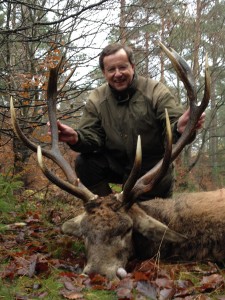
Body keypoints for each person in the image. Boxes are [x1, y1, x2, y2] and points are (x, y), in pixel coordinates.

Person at [48, 43, 205, 199]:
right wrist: (77, 138)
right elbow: (94, 137)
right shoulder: (97, 99)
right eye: (111, 69)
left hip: (152, 170)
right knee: (85, 164)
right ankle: (107, 208)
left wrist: (178, 128)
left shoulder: (155, 91)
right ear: (104, 72)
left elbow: (173, 126)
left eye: (122, 67)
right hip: (117, 166)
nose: (118, 74)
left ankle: (133, 205)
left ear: (132, 67)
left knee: (144, 218)